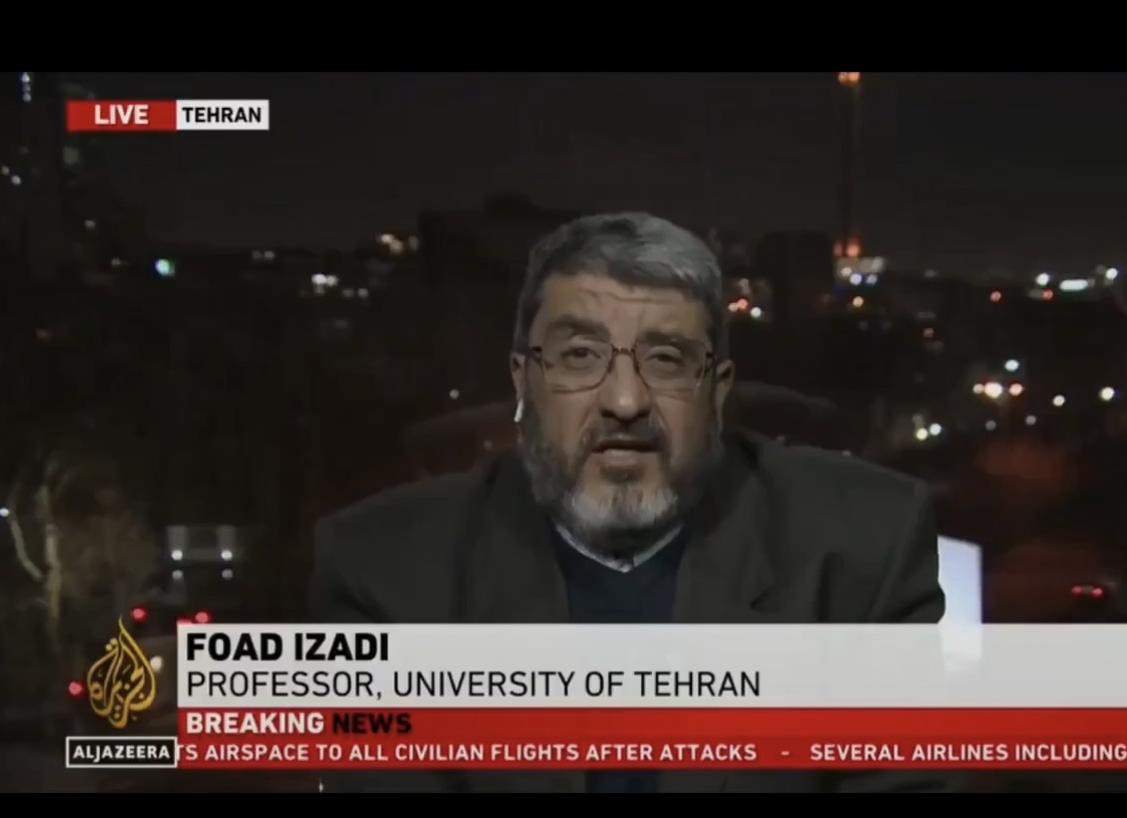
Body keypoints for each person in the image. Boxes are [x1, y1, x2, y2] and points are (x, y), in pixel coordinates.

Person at [311, 212, 948, 793]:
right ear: (523, 382)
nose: (625, 401)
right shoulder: (384, 578)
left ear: (716, 393)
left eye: (666, 360)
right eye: (580, 356)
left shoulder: (865, 555)